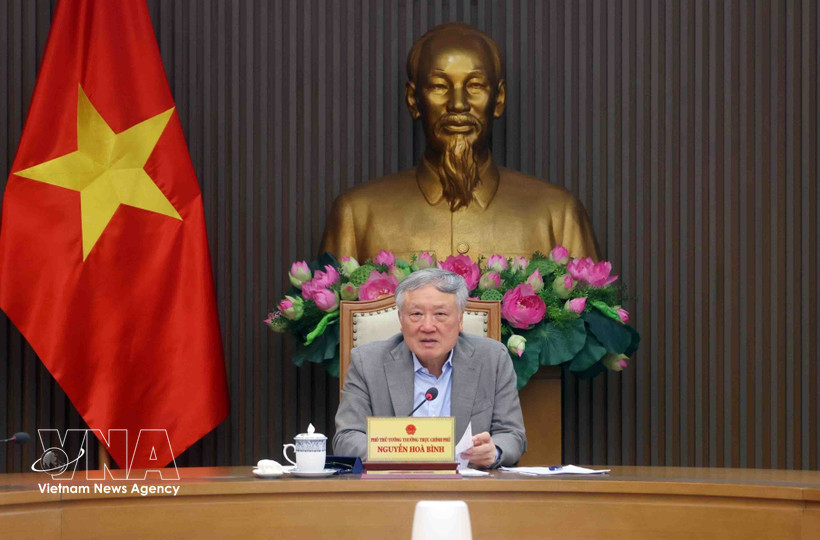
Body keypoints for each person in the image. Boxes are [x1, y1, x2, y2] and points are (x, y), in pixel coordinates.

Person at [321, 22, 598, 262]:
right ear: (413, 99)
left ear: (498, 99)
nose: (458, 104)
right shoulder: (356, 215)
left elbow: (594, 322)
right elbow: (332, 322)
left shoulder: (559, 216)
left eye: (475, 86)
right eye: (439, 86)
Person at [333, 268, 526, 468]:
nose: (427, 326)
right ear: (401, 319)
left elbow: (512, 435)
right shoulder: (367, 362)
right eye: (416, 314)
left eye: (440, 314)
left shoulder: (492, 359)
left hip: (469, 490)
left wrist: (494, 451)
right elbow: (347, 438)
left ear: (460, 320)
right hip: (395, 488)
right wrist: (397, 454)